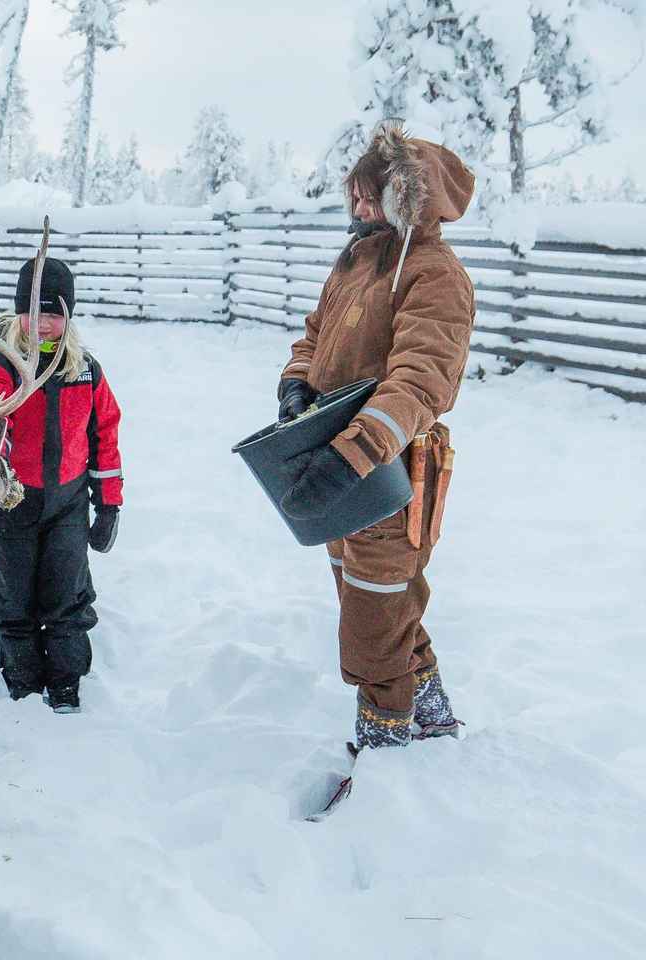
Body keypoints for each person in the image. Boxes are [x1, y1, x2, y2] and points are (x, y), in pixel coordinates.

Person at [276, 121, 473, 749]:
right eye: (355, 194)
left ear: (405, 198)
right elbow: (315, 335)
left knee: (375, 607)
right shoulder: (358, 261)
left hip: (389, 469)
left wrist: (354, 453)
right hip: (338, 455)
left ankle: (386, 736)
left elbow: (422, 380)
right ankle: (431, 707)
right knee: (371, 598)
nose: (358, 207)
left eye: (372, 195)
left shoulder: (434, 273)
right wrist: (296, 385)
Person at [0, 257, 124, 714]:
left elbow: (105, 436)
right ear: (19, 314)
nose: (44, 325)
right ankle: (22, 686)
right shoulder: (0, 370)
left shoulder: (85, 371)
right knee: (14, 597)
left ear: (69, 315)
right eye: (34, 314)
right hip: (12, 507)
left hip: (68, 505)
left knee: (67, 596)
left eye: (54, 314)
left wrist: (109, 506)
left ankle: (65, 686)